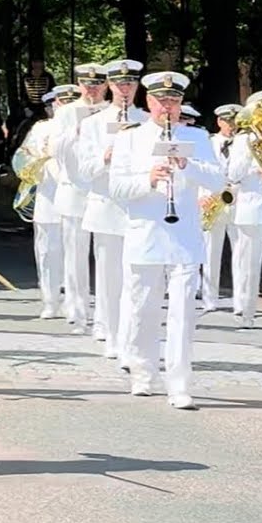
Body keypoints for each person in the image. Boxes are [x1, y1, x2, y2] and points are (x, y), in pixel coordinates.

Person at [108, 72, 224, 410]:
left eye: (174, 101)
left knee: (183, 313)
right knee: (144, 309)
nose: (168, 107)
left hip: (185, 236)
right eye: (162, 101)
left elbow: (218, 181)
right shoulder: (130, 139)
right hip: (145, 234)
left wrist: (188, 166)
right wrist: (148, 178)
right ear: (149, 102)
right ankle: (144, 372)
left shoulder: (198, 137)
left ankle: (180, 383)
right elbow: (117, 189)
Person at [76, 59, 148, 359]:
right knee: (108, 277)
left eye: (130, 83)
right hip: (106, 207)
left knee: (137, 277)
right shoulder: (92, 123)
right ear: (110, 85)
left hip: (138, 208)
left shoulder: (146, 121)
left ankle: (133, 334)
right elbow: (84, 171)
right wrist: (106, 157)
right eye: (119, 84)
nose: (125, 89)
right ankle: (111, 332)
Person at [48, 62, 111, 331]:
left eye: (97, 85)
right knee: (75, 254)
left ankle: (106, 313)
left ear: (106, 86)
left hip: (105, 192)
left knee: (107, 255)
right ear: (80, 85)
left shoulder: (112, 112)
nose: (92, 89)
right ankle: (77, 308)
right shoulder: (67, 112)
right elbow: (52, 148)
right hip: (74, 189)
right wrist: (76, 130)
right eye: (87, 84)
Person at [227, 90, 262, 328]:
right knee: (248, 265)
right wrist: (253, 164)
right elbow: (233, 174)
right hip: (251, 208)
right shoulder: (243, 139)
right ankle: (247, 313)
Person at [14, 88, 66, 318]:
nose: (61, 108)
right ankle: (50, 297)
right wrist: (38, 165)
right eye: (57, 104)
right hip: (48, 195)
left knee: (76, 251)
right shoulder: (40, 129)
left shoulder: (86, 127)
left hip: (79, 198)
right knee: (46, 249)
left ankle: (74, 297)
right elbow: (21, 158)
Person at [199, 104, 241, 312]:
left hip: (237, 200)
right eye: (227, 121)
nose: (231, 125)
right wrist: (202, 196)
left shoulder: (244, 143)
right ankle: (210, 298)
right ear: (219, 122)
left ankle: (241, 300)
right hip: (213, 200)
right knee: (210, 252)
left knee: (240, 253)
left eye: (234, 121)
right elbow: (199, 168)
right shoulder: (208, 143)